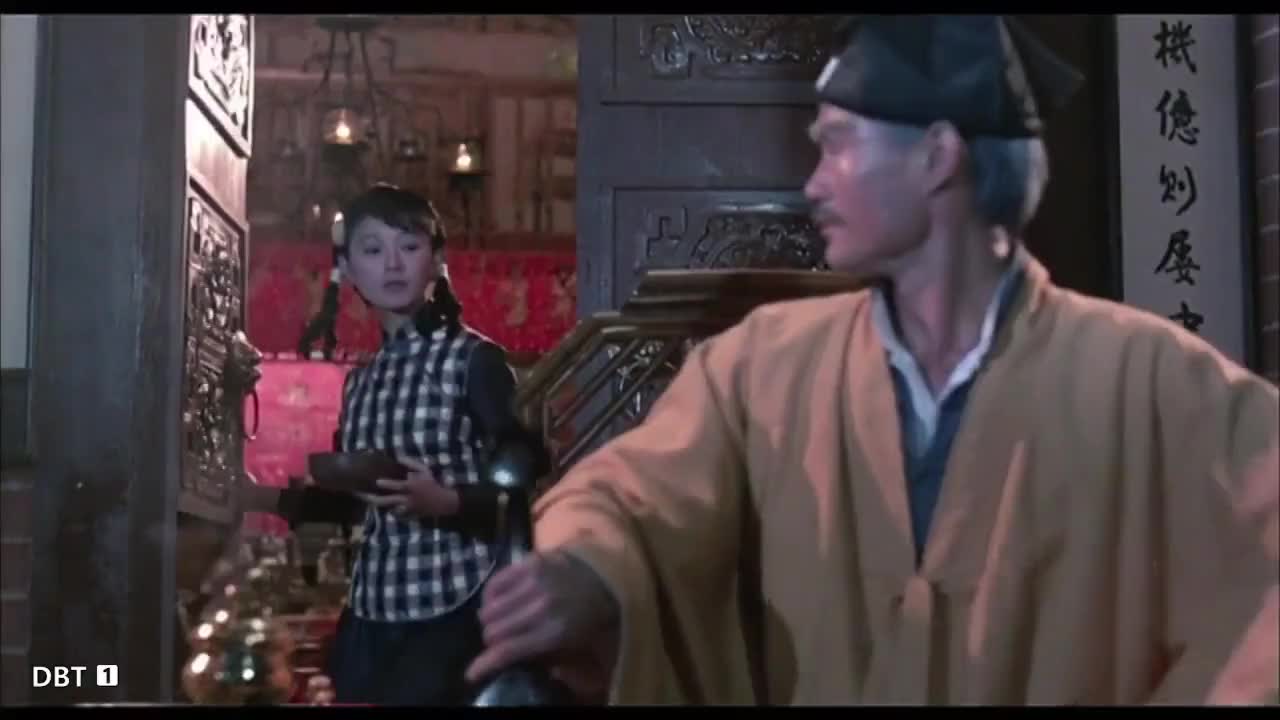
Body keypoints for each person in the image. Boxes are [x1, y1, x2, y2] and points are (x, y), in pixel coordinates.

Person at [463, 15, 1280, 705]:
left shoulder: (1148, 381)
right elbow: (633, 495)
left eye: (839, 146)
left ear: (937, 156)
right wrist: (587, 571)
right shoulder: (762, 368)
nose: (814, 184)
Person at [240, 184, 549, 705]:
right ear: (347, 268)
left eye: (409, 246)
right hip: (374, 608)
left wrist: (449, 501)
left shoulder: (473, 361)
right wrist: (256, 497)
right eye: (372, 248)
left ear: (437, 260)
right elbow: (357, 507)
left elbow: (527, 479)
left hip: (455, 604)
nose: (392, 264)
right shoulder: (362, 382)